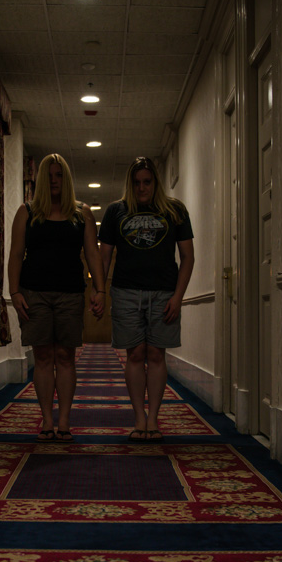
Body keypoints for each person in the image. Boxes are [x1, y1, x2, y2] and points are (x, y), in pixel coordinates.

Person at [8, 153, 105, 442]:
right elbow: (16, 254)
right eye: (49, 175)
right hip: (33, 293)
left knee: (65, 356)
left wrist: (100, 289)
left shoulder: (81, 213)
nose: (54, 180)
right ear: (40, 179)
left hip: (70, 294)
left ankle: (63, 420)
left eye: (59, 175)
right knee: (42, 356)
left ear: (66, 179)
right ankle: (46, 420)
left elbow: (92, 253)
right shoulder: (26, 212)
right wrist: (14, 292)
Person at [99, 156, 194, 441]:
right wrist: (99, 290)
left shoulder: (175, 210)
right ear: (130, 183)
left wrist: (178, 297)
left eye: (147, 182)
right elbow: (104, 257)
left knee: (156, 354)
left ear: (155, 182)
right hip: (126, 292)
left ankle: (153, 419)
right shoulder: (116, 211)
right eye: (137, 182)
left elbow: (187, 258)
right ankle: (139, 417)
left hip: (164, 293)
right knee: (135, 354)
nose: (142, 188)